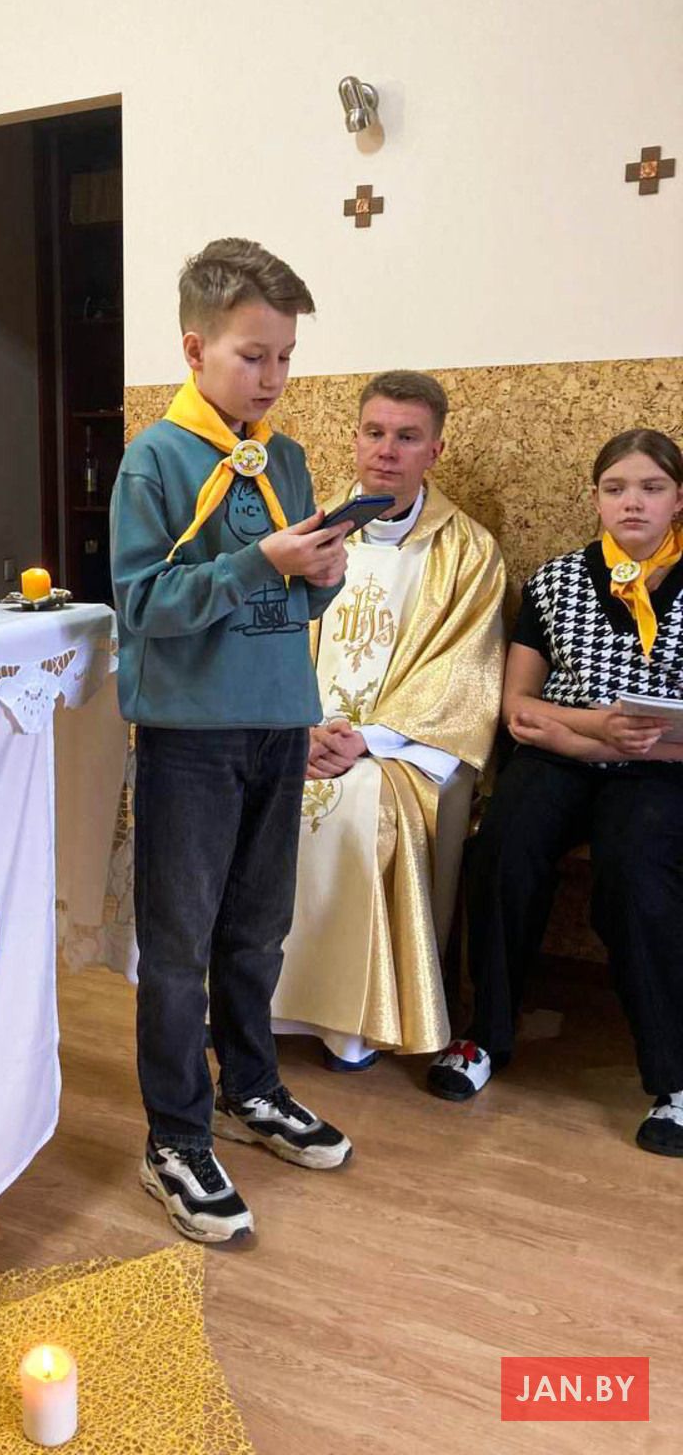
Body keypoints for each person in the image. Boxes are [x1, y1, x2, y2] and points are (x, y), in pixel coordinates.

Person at [110, 236, 354, 1245]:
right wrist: (264, 560)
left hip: (277, 719)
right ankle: (173, 1136)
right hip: (191, 735)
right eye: (254, 355)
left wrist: (323, 575)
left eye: (286, 356)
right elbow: (142, 604)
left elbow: (292, 598)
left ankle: (249, 1086)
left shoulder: (283, 458)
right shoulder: (156, 460)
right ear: (195, 348)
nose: (273, 377)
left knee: (257, 928)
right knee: (178, 949)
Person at [428, 429, 683, 1159]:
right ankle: (485, 1034)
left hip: (663, 766)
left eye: (651, 488)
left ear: (678, 499)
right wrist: (597, 733)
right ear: (595, 498)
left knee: (635, 870)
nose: (632, 503)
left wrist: (632, 744)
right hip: (563, 754)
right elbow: (519, 708)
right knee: (503, 846)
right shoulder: (556, 581)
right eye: (615, 488)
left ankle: (673, 1076)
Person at [270, 372, 506, 1068]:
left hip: (404, 747)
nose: (387, 450)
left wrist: (364, 742)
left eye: (407, 437)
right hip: (299, 731)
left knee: (357, 809)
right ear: (354, 439)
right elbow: (270, 637)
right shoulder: (307, 533)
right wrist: (299, 729)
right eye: (374, 432)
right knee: (248, 790)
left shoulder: (468, 552)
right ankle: (247, 1003)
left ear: (434, 450)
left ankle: (349, 1024)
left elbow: (461, 675)